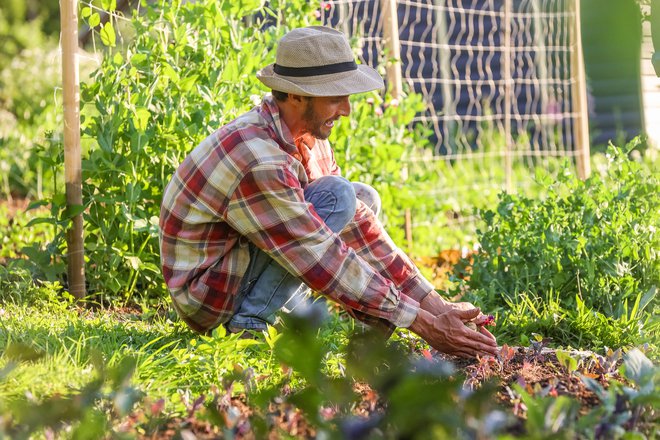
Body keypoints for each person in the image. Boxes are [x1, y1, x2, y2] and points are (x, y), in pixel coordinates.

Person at [159, 26, 498, 358]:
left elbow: (359, 229)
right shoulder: (258, 158)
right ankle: (250, 325)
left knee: (359, 199)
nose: (347, 110)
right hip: (210, 296)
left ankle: (341, 321)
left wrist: (435, 305)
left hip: (245, 267)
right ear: (295, 96)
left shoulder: (304, 133)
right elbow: (320, 253)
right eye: (336, 98)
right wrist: (423, 324)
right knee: (338, 196)